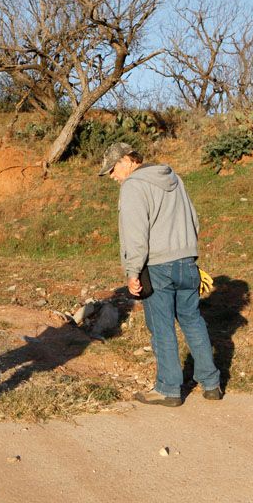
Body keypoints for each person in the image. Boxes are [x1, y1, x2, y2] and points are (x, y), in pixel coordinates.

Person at [99, 142, 222, 406]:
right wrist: (188, 253)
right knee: (192, 320)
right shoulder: (173, 177)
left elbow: (135, 234)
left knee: (161, 326)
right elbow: (194, 219)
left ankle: (168, 389)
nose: (111, 177)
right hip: (187, 262)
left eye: (111, 169)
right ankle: (211, 383)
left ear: (126, 161)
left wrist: (133, 271)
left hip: (157, 266)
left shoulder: (133, 186)